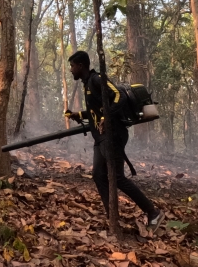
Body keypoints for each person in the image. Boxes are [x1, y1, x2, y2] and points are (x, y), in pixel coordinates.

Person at [67, 50, 163, 237]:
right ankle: (112, 218)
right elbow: (97, 111)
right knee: (98, 175)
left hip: (113, 135)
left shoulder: (96, 79)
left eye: (72, 66)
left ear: (80, 66)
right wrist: (80, 115)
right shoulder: (88, 84)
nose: (70, 70)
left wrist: (106, 117)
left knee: (117, 177)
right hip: (101, 138)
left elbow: (119, 95)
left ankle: (153, 213)